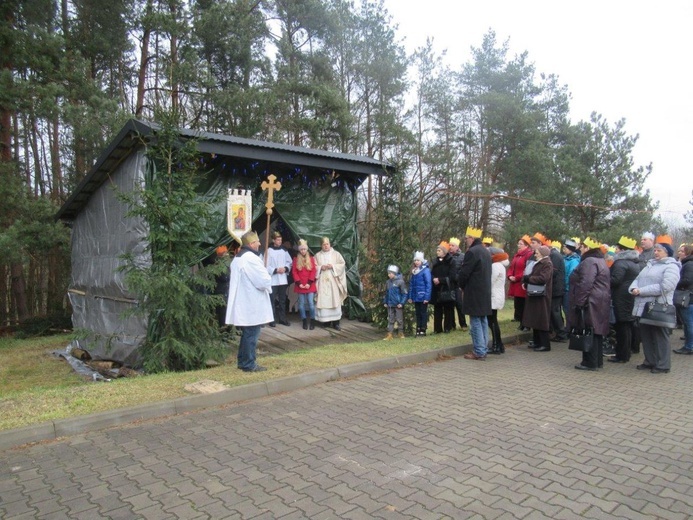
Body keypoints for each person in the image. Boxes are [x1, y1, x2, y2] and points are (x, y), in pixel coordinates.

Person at [225, 231, 273, 372]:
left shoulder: (239, 258)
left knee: (247, 334)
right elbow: (263, 280)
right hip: (252, 302)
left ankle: (242, 361)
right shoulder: (251, 259)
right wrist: (268, 277)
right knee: (251, 334)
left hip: (245, 301)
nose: (259, 243)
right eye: (257, 241)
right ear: (252, 243)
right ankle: (248, 364)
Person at [630, 241, 680, 373]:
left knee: (660, 336)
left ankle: (663, 364)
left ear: (667, 252)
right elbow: (638, 278)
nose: (656, 252)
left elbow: (666, 286)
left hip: (659, 307)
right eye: (655, 250)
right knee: (646, 335)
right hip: (644, 306)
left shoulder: (671, 266)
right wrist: (634, 288)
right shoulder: (650, 265)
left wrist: (642, 290)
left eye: (659, 250)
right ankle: (649, 361)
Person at [568, 237, 611, 371]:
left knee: (589, 329)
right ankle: (597, 361)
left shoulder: (589, 261)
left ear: (587, 248)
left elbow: (586, 282)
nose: (580, 248)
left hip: (590, 300)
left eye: (582, 246)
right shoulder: (600, 260)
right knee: (596, 331)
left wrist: (579, 302)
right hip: (600, 299)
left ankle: (589, 362)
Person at [457, 227, 492, 360]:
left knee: (475, 321)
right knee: (483, 320)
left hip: (474, 291)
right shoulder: (485, 251)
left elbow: (464, 272)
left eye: (466, 238)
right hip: (484, 291)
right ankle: (483, 348)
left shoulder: (472, 252)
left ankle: (479, 350)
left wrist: (461, 285)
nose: (465, 240)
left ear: (472, 238)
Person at [608, 236, 640, 364]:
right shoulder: (634, 263)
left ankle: (622, 355)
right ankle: (628, 351)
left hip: (620, 297)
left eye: (617, 248)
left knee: (622, 326)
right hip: (628, 297)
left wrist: (603, 279)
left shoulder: (620, 263)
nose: (615, 250)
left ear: (622, 250)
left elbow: (615, 280)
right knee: (628, 325)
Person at [522, 245, 554, 352]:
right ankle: (537, 341)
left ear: (542, 253)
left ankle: (545, 344)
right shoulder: (539, 263)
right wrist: (526, 282)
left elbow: (543, 278)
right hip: (535, 294)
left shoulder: (547, 264)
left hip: (542, 296)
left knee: (541, 320)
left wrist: (529, 279)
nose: (535, 254)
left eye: (537, 253)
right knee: (535, 319)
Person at [315, 237, 348, 330]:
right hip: (322, 282)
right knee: (324, 300)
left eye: (327, 244)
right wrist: (321, 267)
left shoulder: (336, 254)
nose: (326, 246)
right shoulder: (317, 255)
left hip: (333, 281)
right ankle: (326, 321)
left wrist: (332, 266)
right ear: (321, 245)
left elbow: (342, 264)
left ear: (330, 244)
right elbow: (314, 266)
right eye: (324, 244)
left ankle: (336, 323)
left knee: (335, 300)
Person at [265, 231, 293, 327]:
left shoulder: (284, 251)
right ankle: (272, 319)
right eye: (278, 240)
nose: (280, 241)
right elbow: (265, 264)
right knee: (272, 300)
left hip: (282, 279)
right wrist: (275, 270)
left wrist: (285, 268)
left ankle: (282, 318)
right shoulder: (268, 251)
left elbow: (289, 262)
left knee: (282, 300)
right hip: (273, 279)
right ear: (273, 240)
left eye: (281, 240)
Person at [507, 235, 534, 330]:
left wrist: (517, 277)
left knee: (524, 305)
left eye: (521, 244)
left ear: (526, 245)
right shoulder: (517, 255)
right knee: (518, 304)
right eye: (518, 243)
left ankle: (526, 324)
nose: (518, 245)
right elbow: (511, 267)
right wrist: (510, 275)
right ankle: (521, 322)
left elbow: (527, 269)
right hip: (515, 283)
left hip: (521, 283)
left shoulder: (529, 254)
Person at [291, 239, 317, 330]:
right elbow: (294, 272)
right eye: (301, 249)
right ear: (299, 250)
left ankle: (312, 320)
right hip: (300, 285)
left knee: (311, 303)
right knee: (301, 304)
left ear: (307, 250)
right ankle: (304, 320)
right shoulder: (296, 259)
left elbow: (313, 271)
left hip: (309, 284)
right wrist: (299, 283)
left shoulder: (311, 259)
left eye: (304, 249)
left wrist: (309, 283)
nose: (303, 251)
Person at [430, 241, 456, 333]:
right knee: (438, 310)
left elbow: (452, 276)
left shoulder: (451, 261)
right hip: (437, 289)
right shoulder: (435, 262)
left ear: (444, 252)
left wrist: (440, 280)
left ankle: (447, 327)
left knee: (448, 309)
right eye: (437, 250)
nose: (437, 252)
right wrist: (433, 279)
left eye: (439, 250)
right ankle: (437, 329)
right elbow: (431, 273)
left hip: (447, 289)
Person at [488, 248, 509, 354]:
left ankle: (496, 345)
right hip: (497, 295)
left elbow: (490, 281)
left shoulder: (495, 266)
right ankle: (499, 344)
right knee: (493, 321)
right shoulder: (500, 265)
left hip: (493, 296)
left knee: (492, 321)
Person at [673, 244, 693, 355]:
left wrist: (675, 283)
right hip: (690, 296)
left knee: (689, 323)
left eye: (681, 251)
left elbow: (687, 280)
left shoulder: (689, 264)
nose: (679, 253)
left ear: (688, 253)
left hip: (688, 298)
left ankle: (689, 346)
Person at [408, 251, 432, 336]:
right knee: (417, 313)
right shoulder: (414, 272)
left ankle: (423, 328)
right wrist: (410, 296)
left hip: (423, 295)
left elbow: (428, 284)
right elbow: (411, 285)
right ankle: (418, 328)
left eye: (418, 260)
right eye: (415, 260)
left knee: (423, 312)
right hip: (416, 296)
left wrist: (427, 297)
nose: (416, 262)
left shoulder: (425, 271)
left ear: (421, 261)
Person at [548, 240, 567, 341]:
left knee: (555, 311)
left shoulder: (555, 256)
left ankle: (561, 334)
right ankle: (558, 332)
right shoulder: (557, 255)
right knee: (555, 311)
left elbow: (553, 271)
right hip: (557, 288)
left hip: (556, 288)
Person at [448, 237, 468, 331]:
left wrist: (456, 277)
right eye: (450, 245)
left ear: (457, 247)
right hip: (449, 284)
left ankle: (463, 324)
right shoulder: (447, 256)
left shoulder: (462, 256)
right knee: (450, 304)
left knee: (459, 304)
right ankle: (452, 325)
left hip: (458, 284)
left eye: (453, 245)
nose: (451, 247)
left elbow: (463, 270)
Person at [383, 265, 407, 340]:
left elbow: (404, 293)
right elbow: (387, 293)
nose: (389, 275)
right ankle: (389, 334)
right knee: (390, 319)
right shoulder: (388, 282)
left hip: (398, 304)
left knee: (399, 319)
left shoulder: (400, 282)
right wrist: (385, 302)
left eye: (391, 273)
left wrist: (401, 303)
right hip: (390, 304)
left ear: (395, 273)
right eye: (388, 273)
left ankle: (400, 333)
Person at [213, 245, 231, 329]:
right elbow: (224, 278)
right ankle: (223, 329)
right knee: (222, 312)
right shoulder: (218, 265)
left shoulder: (227, 264)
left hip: (226, 290)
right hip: (221, 291)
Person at [562, 238, 581, 319]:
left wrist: (564, 284)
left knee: (568, 309)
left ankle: (570, 327)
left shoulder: (574, 261)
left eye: (565, 248)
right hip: (564, 288)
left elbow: (571, 275)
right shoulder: (565, 259)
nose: (563, 250)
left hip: (568, 289)